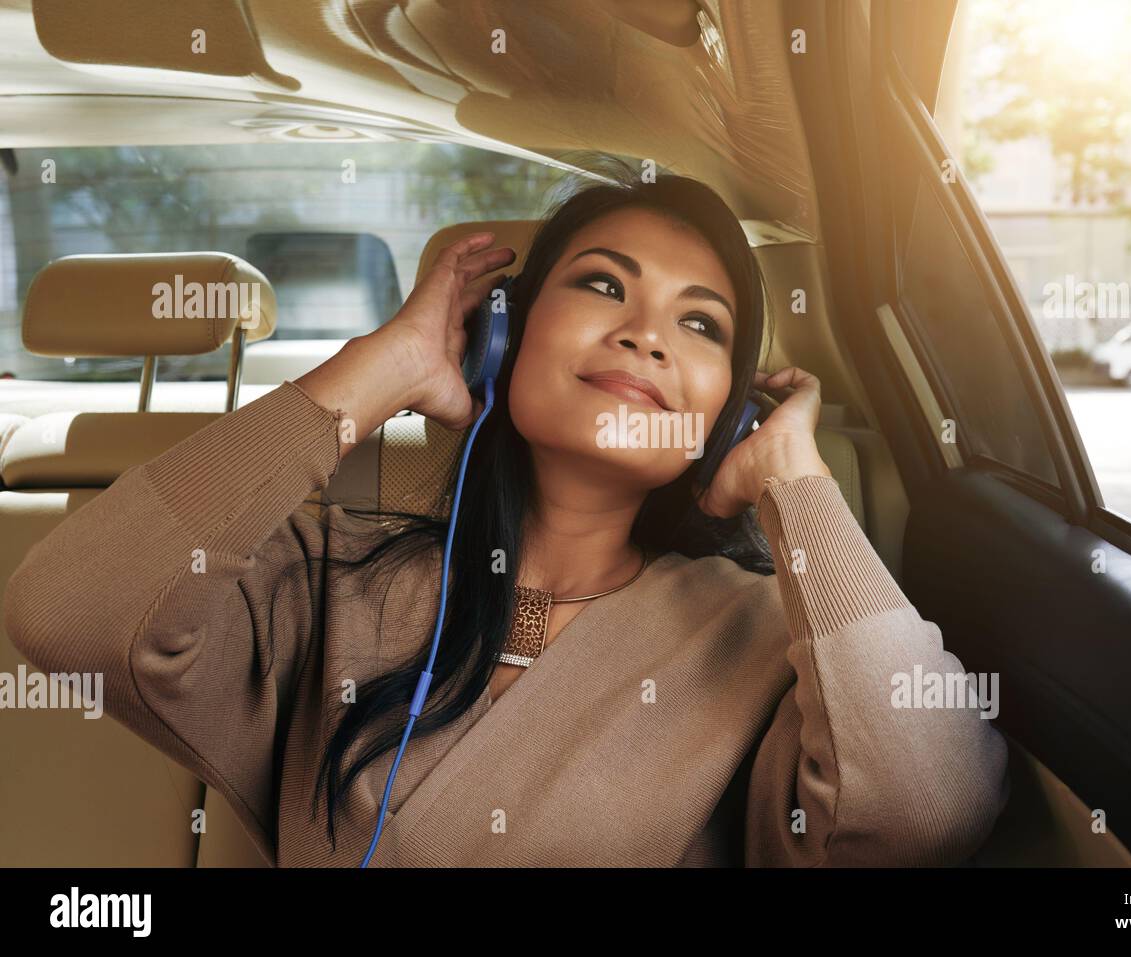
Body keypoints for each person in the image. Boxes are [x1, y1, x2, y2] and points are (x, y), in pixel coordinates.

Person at [5, 160, 1010, 867]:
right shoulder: (325, 574)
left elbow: (926, 810)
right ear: (501, 342)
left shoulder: (769, 640)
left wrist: (796, 479)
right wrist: (383, 367)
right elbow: (70, 613)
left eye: (699, 322)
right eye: (602, 284)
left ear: (728, 410)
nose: (646, 334)